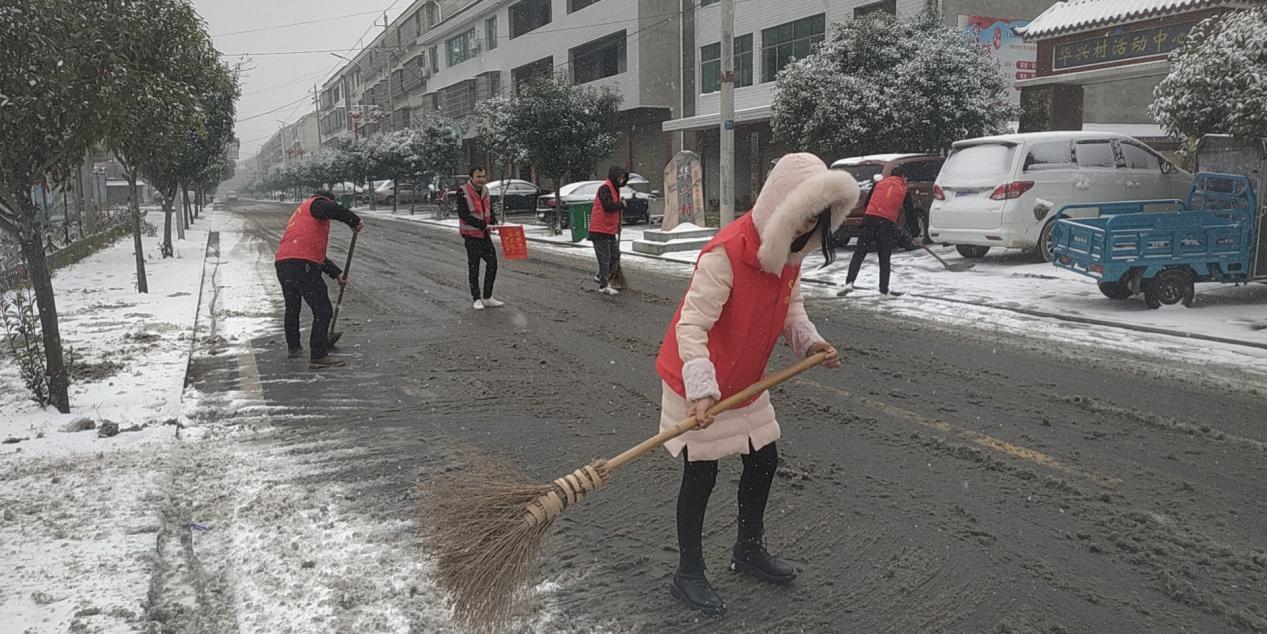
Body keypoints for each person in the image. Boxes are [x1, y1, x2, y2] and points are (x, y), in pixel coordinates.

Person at [655, 153, 855, 616]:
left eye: (817, 221)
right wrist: (702, 389)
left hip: (745, 379)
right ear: (780, 206)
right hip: (697, 376)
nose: (808, 230)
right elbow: (690, 327)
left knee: (764, 459)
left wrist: (811, 344)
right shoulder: (727, 253)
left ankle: (748, 549)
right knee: (701, 474)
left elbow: (791, 312)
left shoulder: (790, 253)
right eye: (803, 216)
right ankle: (687, 572)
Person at [274, 189, 363, 369]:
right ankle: (318, 354)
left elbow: (316, 255)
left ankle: (294, 347)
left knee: (292, 307)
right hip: (301, 263)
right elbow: (329, 208)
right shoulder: (317, 203)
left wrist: (336, 274)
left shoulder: (302, 214)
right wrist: (353, 220)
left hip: (284, 262)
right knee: (323, 310)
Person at [841, 166, 910, 298]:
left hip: (869, 221)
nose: (906, 181)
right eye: (906, 178)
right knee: (884, 258)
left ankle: (849, 283)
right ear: (902, 176)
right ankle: (883, 291)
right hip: (886, 225)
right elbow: (910, 213)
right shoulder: (904, 190)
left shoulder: (879, 183)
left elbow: (867, 203)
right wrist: (916, 234)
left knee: (859, 253)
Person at [456, 166, 504, 310]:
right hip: (471, 236)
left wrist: (493, 221)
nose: (481, 179)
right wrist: (482, 224)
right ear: (471, 177)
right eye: (478, 177)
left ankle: (488, 297)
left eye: (483, 176)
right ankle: (476, 298)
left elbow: (487, 209)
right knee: (474, 267)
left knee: (493, 264)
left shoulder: (486, 190)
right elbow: (463, 214)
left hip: (485, 235)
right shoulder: (463, 191)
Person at [590, 165, 628, 295]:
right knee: (604, 258)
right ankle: (603, 286)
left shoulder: (615, 189)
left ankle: (601, 275)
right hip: (599, 230)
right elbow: (608, 206)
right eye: (619, 177)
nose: (621, 180)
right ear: (614, 176)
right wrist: (620, 205)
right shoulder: (605, 188)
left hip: (609, 230)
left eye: (623, 178)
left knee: (615, 255)